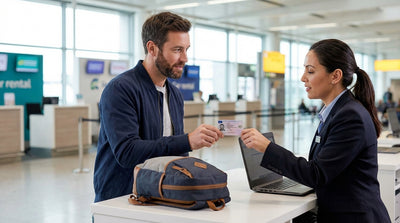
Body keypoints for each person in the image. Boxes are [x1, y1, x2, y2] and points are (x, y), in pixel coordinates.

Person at [240, 39, 390, 222]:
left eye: (310, 71)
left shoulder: (350, 116)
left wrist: (268, 148)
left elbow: (317, 174)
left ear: (335, 76)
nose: (303, 77)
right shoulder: (337, 111)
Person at [93, 12, 223, 203]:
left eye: (186, 49)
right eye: (177, 50)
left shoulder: (175, 94)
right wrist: (187, 140)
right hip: (120, 200)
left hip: (161, 196)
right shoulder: (120, 89)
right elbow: (127, 152)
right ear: (152, 48)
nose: (185, 58)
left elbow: (175, 151)